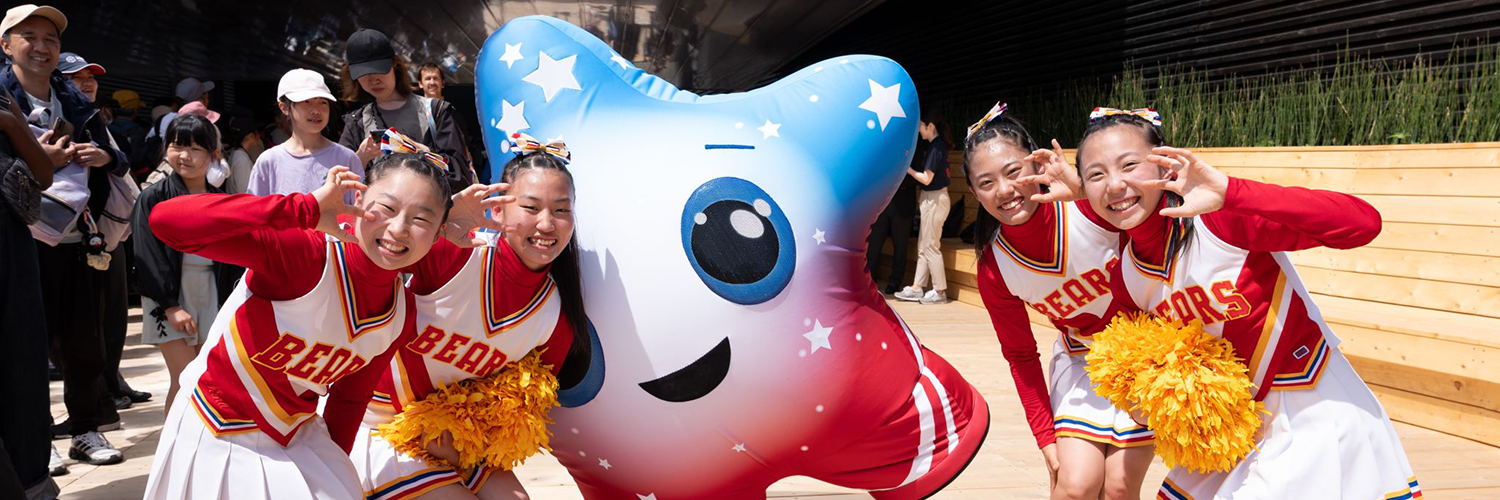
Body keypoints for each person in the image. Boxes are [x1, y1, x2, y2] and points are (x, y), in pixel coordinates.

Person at [1042, 109, 1417, 499]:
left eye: (1129, 165)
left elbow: (1363, 224)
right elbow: (1135, 362)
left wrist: (1231, 191)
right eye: (1096, 175)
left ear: (1165, 165)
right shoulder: (1127, 276)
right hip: (1231, 430)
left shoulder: (1220, 222)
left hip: (1311, 407)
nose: (1115, 184)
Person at [140, 153, 486, 499]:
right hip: (215, 427)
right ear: (359, 198)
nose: (398, 228)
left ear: (439, 233)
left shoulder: (400, 311)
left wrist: (333, 472)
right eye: (387, 208)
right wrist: (301, 208)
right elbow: (166, 221)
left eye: (420, 219)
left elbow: (349, 399)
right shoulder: (306, 253)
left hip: (295, 436)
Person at [351, 134, 586, 500]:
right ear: (498, 210)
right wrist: (443, 225)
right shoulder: (455, 256)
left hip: (453, 440)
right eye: (530, 207)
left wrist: (461, 439)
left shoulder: (555, 316)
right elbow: (364, 261)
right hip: (375, 427)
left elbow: (517, 406)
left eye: (560, 210)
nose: (546, 224)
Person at [960, 103, 1154, 500]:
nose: (1004, 190)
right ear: (975, 192)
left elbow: (1159, 231)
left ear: (1037, 163)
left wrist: (1082, 190)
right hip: (1082, 360)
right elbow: (1020, 355)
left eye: (1013, 172)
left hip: (1149, 358)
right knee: (1076, 485)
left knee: (1119, 486)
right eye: (986, 182)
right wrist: (1044, 436)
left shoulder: (1091, 208)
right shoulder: (994, 267)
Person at [0, 3, 130, 468]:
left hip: (77, 237)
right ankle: (38, 437)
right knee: (26, 344)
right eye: (30, 37)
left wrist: (103, 157)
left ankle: (85, 429)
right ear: (5, 45)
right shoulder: (2, 99)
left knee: (83, 341)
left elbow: (120, 158)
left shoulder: (75, 101)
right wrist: (40, 160)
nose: (42, 47)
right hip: (18, 239)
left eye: (51, 39)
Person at [58, 51, 153, 412]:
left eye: (91, 78)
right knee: (84, 321)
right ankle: (98, 392)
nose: (86, 84)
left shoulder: (97, 118)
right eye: (76, 78)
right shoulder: (56, 117)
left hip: (109, 231)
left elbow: (122, 161)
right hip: (70, 235)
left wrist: (108, 157)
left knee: (112, 314)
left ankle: (111, 381)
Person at [131, 114, 239, 412]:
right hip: (168, 294)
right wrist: (170, 306)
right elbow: (147, 254)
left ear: (213, 154)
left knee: (208, 379)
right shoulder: (153, 197)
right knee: (183, 380)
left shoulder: (220, 199)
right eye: (177, 146)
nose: (184, 156)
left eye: (195, 148)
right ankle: (173, 442)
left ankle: (199, 440)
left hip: (211, 291)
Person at [0, 78, 58, 497]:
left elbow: (43, 175)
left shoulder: (3, 99)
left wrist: (9, 123)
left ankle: (33, 482)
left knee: (22, 365)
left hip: (11, 250)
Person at [337, 29, 472, 188]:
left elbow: (459, 175)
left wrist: (418, 151)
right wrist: (361, 157)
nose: (373, 80)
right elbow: (338, 182)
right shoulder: (356, 122)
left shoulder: (436, 111)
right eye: (363, 74)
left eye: (379, 70)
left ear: (395, 65)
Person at [246, 69, 362, 199]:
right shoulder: (269, 161)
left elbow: (358, 206)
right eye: (306, 101)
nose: (316, 110)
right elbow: (257, 209)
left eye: (322, 102)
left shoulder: (346, 157)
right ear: (284, 107)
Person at [893, 110, 951, 304]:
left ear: (930, 126)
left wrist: (907, 169)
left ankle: (940, 291)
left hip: (935, 199)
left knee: (930, 246)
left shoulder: (937, 147)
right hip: (930, 199)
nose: (919, 130)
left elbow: (927, 179)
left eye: (920, 126)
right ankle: (917, 287)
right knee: (923, 245)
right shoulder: (934, 146)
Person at [866, 134, 921, 294]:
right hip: (883, 202)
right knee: (874, 243)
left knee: (900, 246)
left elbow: (917, 177)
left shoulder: (914, 148)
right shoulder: (884, 149)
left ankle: (895, 282)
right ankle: (870, 279)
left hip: (904, 202)